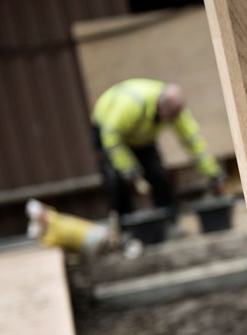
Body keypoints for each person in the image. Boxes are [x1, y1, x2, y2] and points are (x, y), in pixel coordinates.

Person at [91, 78, 225, 225]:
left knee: (158, 175)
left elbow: (193, 142)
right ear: (159, 107)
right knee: (116, 180)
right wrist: (126, 168)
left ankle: (169, 223)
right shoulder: (131, 106)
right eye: (169, 116)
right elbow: (111, 138)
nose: (173, 120)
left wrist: (212, 173)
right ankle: (126, 226)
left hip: (141, 136)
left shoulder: (175, 111)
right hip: (107, 130)